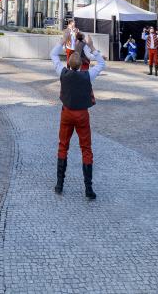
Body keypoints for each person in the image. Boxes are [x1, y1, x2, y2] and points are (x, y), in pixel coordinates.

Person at [50, 38, 106, 199]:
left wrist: (63, 39)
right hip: (82, 114)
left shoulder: (62, 72)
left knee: (63, 146)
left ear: (68, 63)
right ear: (81, 65)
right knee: (86, 149)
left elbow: (53, 54)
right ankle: (88, 188)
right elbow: (102, 64)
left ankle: (59, 184)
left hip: (67, 112)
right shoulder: (88, 75)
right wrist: (92, 46)